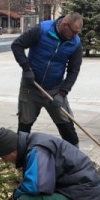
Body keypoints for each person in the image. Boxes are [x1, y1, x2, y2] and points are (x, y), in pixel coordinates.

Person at [11, 12, 83, 146]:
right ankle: (20, 162)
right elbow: (17, 45)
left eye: (77, 33)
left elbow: (74, 70)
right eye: (73, 32)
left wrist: (62, 93)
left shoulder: (75, 43)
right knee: (24, 128)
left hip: (55, 90)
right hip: (31, 88)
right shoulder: (41, 30)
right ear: (65, 25)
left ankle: (76, 161)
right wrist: (26, 69)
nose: (75, 35)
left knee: (67, 128)